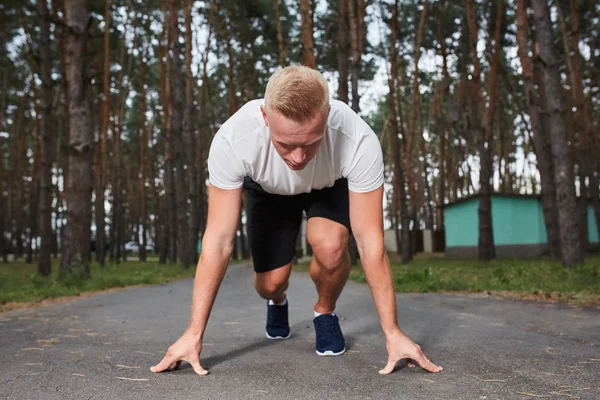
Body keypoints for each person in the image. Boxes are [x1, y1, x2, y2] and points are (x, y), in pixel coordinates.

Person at [150, 65, 443, 376]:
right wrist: (193, 333)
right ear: (265, 117)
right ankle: (277, 301)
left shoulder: (358, 140)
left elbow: (371, 243)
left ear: (328, 115)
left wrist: (393, 332)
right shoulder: (234, 140)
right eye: (286, 145)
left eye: (311, 142)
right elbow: (218, 241)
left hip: (328, 187)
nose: (299, 158)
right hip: (270, 191)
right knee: (270, 284)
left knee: (330, 248)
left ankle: (324, 312)